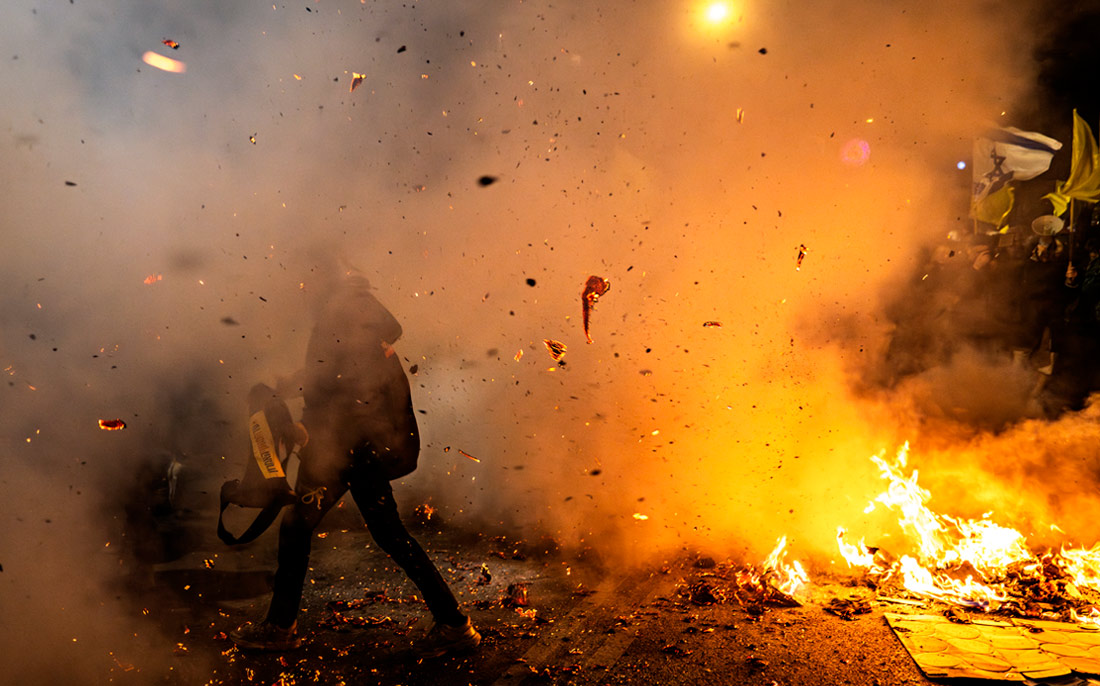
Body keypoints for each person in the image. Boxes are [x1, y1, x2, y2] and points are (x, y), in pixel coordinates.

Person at [231, 270, 480, 657]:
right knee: (388, 534)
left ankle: (280, 627)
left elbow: (350, 393)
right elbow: (330, 376)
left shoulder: (343, 320)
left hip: (346, 451)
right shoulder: (357, 317)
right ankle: (454, 623)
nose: (302, 289)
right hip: (360, 450)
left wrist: (305, 430)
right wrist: (289, 386)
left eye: (306, 281)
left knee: (298, 526)